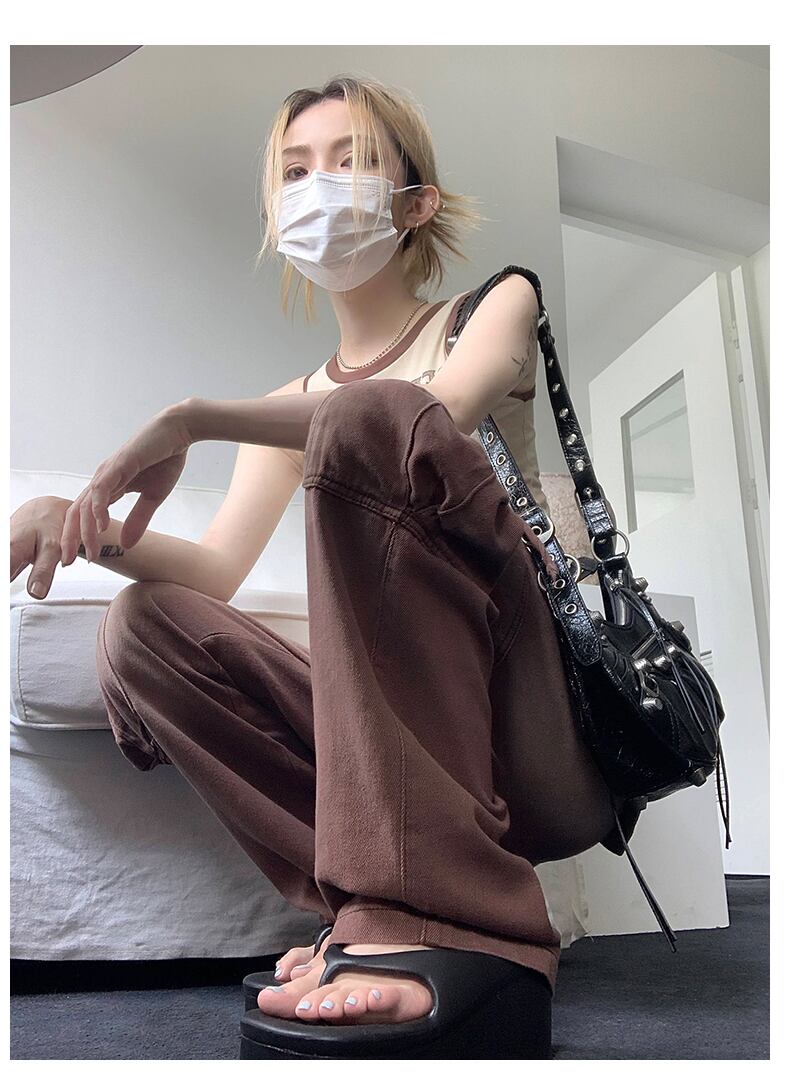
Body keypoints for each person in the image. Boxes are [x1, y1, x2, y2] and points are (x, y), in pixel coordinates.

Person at [10, 74, 622, 1049]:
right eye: (294, 172)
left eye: (350, 161)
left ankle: (468, 929)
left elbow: (422, 419)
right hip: (407, 763)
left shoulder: (496, 305)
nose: (317, 186)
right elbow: (213, 573)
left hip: (527, 738)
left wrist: (191, 419)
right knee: (146, 625)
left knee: (373, 419)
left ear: (415, 203)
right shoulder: (294, 404)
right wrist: (80, 520)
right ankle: (379, 905)